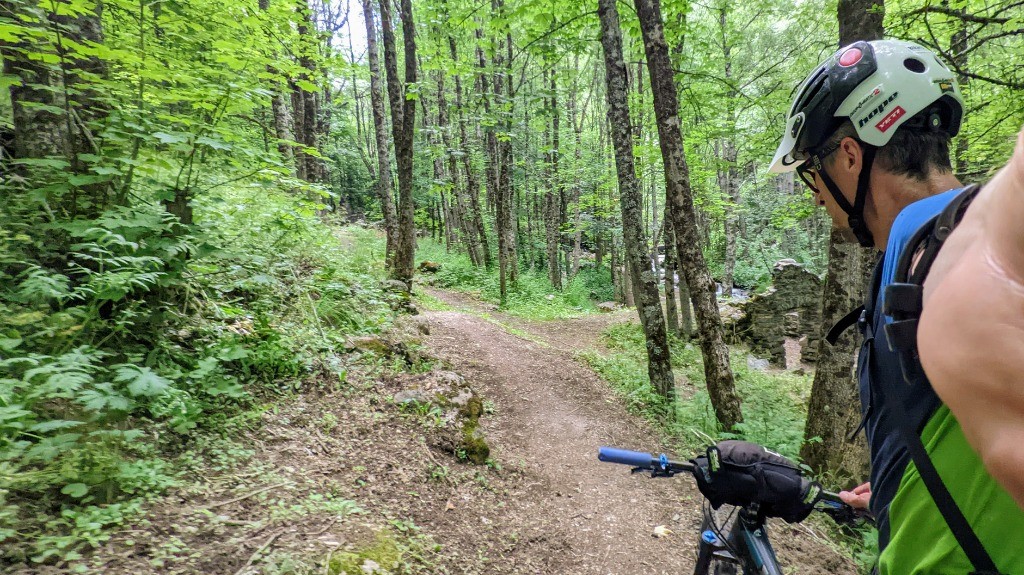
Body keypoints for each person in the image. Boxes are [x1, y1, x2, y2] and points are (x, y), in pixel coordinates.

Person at [769, 39, 1024, 574]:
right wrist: (897, 485)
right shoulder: (935, 248)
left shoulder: (948, 251)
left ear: (850, 156)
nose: (815, 195)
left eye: (812, 172)